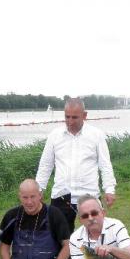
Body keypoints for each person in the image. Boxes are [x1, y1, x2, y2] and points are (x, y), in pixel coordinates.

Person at [35, 97, 117, 231]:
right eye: (67, 117)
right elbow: (45, 165)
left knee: (96, 232)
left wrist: (109, 189)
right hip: (62, 195)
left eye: (74, 117)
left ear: (84, 115)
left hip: (89, 194)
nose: (70, 121)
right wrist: (39, 189)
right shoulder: (54, 136)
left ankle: (95, 252)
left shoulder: (96, 135)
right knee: (61, 238)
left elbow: (105, 164)